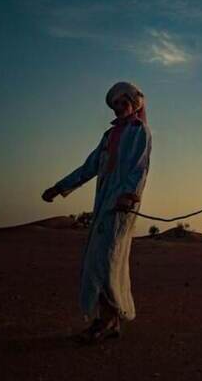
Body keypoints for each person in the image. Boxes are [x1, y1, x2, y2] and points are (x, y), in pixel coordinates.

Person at [41, 81, 152, 344]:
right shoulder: (109, 135)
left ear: (133, 103)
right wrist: (60, 187)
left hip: (122, 204)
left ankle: (107, 321)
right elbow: (90, 166)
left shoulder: (139, 131)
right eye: (114, 105)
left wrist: (129, 195)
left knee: (107, 260)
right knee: (99, 261)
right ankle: (109, 320)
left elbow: (140, 166)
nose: (118, 109)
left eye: (122, 103)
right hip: (103, 202)